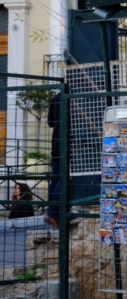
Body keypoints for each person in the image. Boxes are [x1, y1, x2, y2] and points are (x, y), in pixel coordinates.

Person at [44, 92, 60, 229]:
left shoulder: (56, 97)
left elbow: (50, 122)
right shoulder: (76, 97)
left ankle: (52, 210)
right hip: (69, 146)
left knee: (55, 179)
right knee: (64, 178)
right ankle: (53, 212)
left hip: (55, 145)